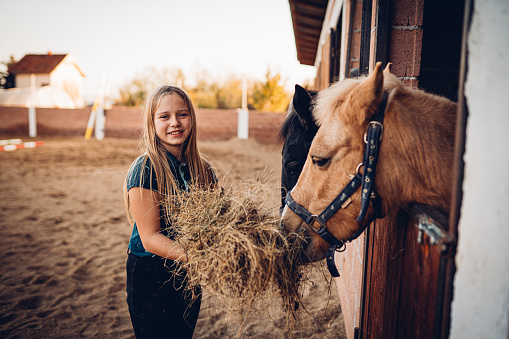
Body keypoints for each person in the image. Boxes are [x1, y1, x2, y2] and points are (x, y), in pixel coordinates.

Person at [124, 85, 216, 338]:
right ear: (152, 123)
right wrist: (199, 257)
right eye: (164, 116)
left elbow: (218, 220)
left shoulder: (204, 169)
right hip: (151, 275)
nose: (175, 123)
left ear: (192, 119)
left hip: (189, 274)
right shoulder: (145, 168)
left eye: (182, 114)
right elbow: (150, 238)